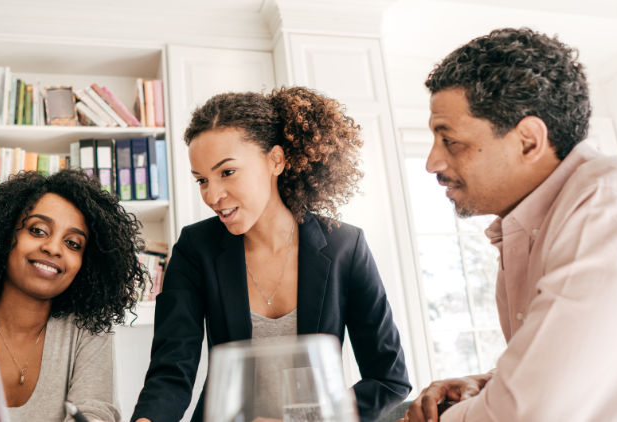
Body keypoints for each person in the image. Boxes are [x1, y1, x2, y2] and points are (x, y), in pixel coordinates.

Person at [402, 28, 617, 422]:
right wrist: (489, 383)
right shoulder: (529, 225)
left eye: (449, 140)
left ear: (528, 141)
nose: (432, 163)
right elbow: (575, 366)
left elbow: (532, 413)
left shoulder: (612, 203)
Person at [131, 87, 412, 422]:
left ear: (276, 160)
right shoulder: (195, 249)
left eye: (227, 172)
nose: (213, 195)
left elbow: (388, 378)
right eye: (202, 180)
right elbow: (172, 369)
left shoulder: (345, 247)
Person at [0, 169, 149, 422]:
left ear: (85, 264)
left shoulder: (87, 329)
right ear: (3, 235)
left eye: (73, 243)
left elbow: (95, 413)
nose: (53, 248)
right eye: (38, 230)